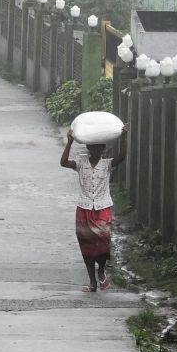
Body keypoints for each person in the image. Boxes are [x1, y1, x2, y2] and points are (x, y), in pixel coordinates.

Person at [60, 124, 128, 293]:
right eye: (93, 147)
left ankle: (101, 271)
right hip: (83, 208)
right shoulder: (81, 163)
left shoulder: (107, 164)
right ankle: (92, 281)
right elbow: (63, 162)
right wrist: (69, 142)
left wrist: (124, 138)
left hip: (102, 207)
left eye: (100, 147)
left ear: (104, 149)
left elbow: (122, 156)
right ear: (89, 148)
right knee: (86, 245)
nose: (96, 150)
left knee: (103, 243)